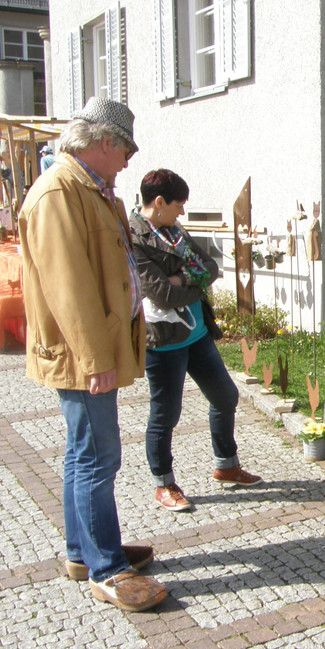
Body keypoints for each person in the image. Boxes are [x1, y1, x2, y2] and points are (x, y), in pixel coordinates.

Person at [18, 98, 167, 613]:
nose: (128, 161)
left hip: (91, 351)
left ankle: (84, 551)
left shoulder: (89, 190)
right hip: (83, 356)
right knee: (98, 456)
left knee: (85, 452)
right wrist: (94, 359)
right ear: (105, 143)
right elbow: (70, 288)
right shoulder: (58, 193)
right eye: (126, 150)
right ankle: (106, 568)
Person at [130, 168, 261, 513]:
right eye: (179, 205)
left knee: (225, 396)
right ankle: (164, 484)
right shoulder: (134, 239)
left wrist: (181, 278)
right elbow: (162, 295)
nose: (183, 212)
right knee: (166, 414)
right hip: (164, 342)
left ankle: (226, 465)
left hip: (197, 333)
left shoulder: (174, 230)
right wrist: (190, 280)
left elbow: (210, 266)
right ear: (159, 202)